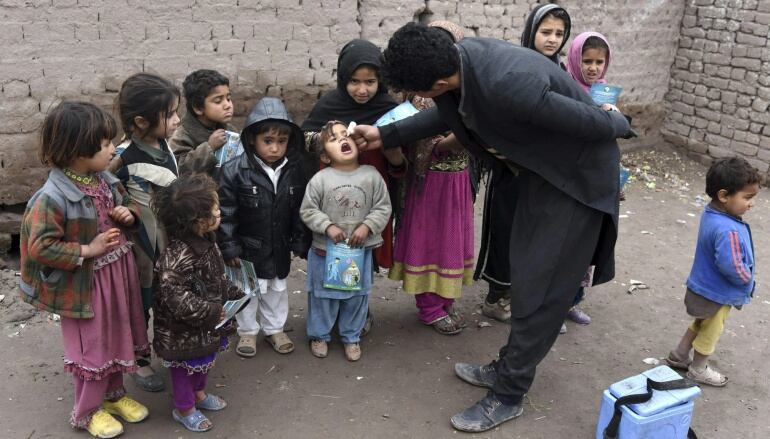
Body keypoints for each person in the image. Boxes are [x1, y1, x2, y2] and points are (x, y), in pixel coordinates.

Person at [351, 23, 632, 432]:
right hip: (541, 175)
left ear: (441, 80)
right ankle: (508, 366)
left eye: (425, 92)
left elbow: (591, 122)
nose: (428, 99)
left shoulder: (510, 85)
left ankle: (509, 392)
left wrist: (619, 120)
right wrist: (383, 133)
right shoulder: (459, 66)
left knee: (542, 286)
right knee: (525, 271)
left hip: (577, 182)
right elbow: (444, 115)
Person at [20, 102, 149, 438]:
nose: (113, 148)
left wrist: (127, 213)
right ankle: (87, 411)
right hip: (84, 287)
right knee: (92, 347)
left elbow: (127, 204)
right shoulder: (51, 198)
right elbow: (41, 247)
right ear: (78, 150)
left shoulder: (103, 179)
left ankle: (114, 396)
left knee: (119, 335)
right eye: (106, 143)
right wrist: (88, 249)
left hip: (117, 276)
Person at [475, 4, 572, 325]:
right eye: (545, 32)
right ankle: (496, 297)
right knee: (506, 232)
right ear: (531, 32)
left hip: (544, 173)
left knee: (536, 236)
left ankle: (523, 295)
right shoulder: (514, 68)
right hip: (512, 171)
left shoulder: (561, 73)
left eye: (559, 34)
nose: (552, 39)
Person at [388, 20, 474, 335]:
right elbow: (428, 145)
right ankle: (430, 307)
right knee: (431, 242)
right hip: (431, 183)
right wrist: (466, 135)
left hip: (457, 181)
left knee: (450, 241)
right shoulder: (425, 96)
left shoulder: (463, 90)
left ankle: (443, 300)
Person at [217, 97, 311, 357]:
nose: (275, 148)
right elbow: (226, 213)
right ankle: (247, 332)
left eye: (281, 141)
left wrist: (300, 240)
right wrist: (230, 247)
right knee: (249, 291)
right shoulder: (234, 171)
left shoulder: (294, 171)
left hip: (279, 245)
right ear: (251, 140)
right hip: (248, 247)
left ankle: (274, 329)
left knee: (277, 290)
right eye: (267, 141)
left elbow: (300, 210)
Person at [152, 174, 245, 432]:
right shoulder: (177, 255)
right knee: (184, 369)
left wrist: (232, 291)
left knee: (205, 360)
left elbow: (215, 279)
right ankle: (184, 408)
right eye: (215, 207)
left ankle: (200, 395)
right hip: (183, 331)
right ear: (199, 220)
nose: (220, 210)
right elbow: (175, 297)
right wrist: (213, 311)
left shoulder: (208, 242)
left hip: (207, 325)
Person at [302, 38, 404, 271]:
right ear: (343, 79)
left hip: (371, 187)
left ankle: (359, 302)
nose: (362, 90)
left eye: (370, 82)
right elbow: (304, 137)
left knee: (366, 241)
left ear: (381, 80)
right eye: (354, 81)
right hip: (334, 190)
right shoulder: (329, 105)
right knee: (334, 240)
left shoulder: (389, 109)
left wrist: (390, 150)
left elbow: (400, 161)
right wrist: (323, 140)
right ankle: (331, 297)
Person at [109, 72, 181, 393]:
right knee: (141, 303)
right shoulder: (121, 157)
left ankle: (167, 347)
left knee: (168, 296)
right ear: (140, 122)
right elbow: (103, 189)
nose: (177, 120)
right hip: (141, 247)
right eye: (170, 115)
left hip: (168, 240)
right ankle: (139, 360)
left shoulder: (163, 143)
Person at [300, 121, 392, 361]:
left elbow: (383, 207)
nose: (342, 140)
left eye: (346, 135)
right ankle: (319, 335)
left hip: (358, 253)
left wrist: (367, 226)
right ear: (324, 156)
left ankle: (351, 336)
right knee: (322, 295)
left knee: (356, 296)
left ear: (358, 144)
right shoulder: (320, 180)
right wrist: (327, 226)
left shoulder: (371, 176)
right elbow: (308, 210)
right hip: (324, 252)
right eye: (333, 139)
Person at [665, 157, 759, 387]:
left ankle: (679, 354)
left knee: (701, 322)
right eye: (747, 197)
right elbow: (732, 265)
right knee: (711, 330)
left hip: (702, 287)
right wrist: (747, 279)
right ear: (724, 195)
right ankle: (698, 368)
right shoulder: (728, 229)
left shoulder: (712, 214)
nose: (751, 203)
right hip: (718, 292)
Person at [170, 69, 237, 175]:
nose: (228, 105)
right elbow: (179, 168)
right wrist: (209, 147)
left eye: (228, 99)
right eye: (218, 101)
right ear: (198, 108)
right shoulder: (181, 136)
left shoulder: (230, 130)